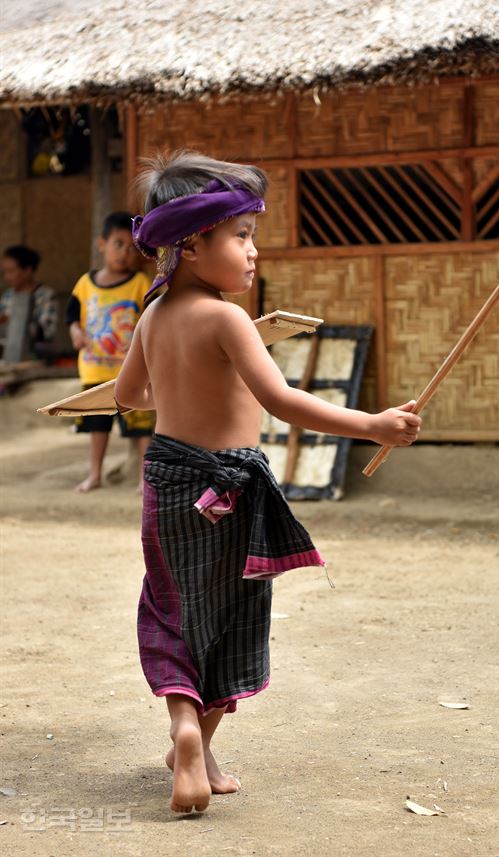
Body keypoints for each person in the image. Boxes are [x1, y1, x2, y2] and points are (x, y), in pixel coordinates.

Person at [114, 151, 422, 815]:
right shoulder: (226, 319)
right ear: (194, 245)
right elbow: (282, 401)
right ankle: (198, 735)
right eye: (242, 236)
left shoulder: (152, 315)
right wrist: (372, 422)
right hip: (231, 488)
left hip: (169, 482)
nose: (254, 252)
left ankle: (187, 736)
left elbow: (128, 392)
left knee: (174, 608)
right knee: (233, 613)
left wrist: (177, 373)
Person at [66, 212, 154, 493]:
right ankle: (95, 474)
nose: (125, 253)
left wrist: (141, 339)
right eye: (118, 244)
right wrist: (76, 333)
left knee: (140, 427)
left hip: (131, 372)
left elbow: (152, 315)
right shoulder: (84, 283)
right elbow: (72, 316)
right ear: (101, 244)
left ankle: (144, 479)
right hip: (94, 370)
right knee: (97, 426)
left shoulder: (140, 282)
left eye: (131, 247)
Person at [0, 245, 58, 363]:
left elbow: (47, 333)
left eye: (11, 271)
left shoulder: (45, 296)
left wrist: (12, 322)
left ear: (27, 270)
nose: (6, 277)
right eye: (4, 272)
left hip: (33, 358)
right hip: (6, 357)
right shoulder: (7, 296)